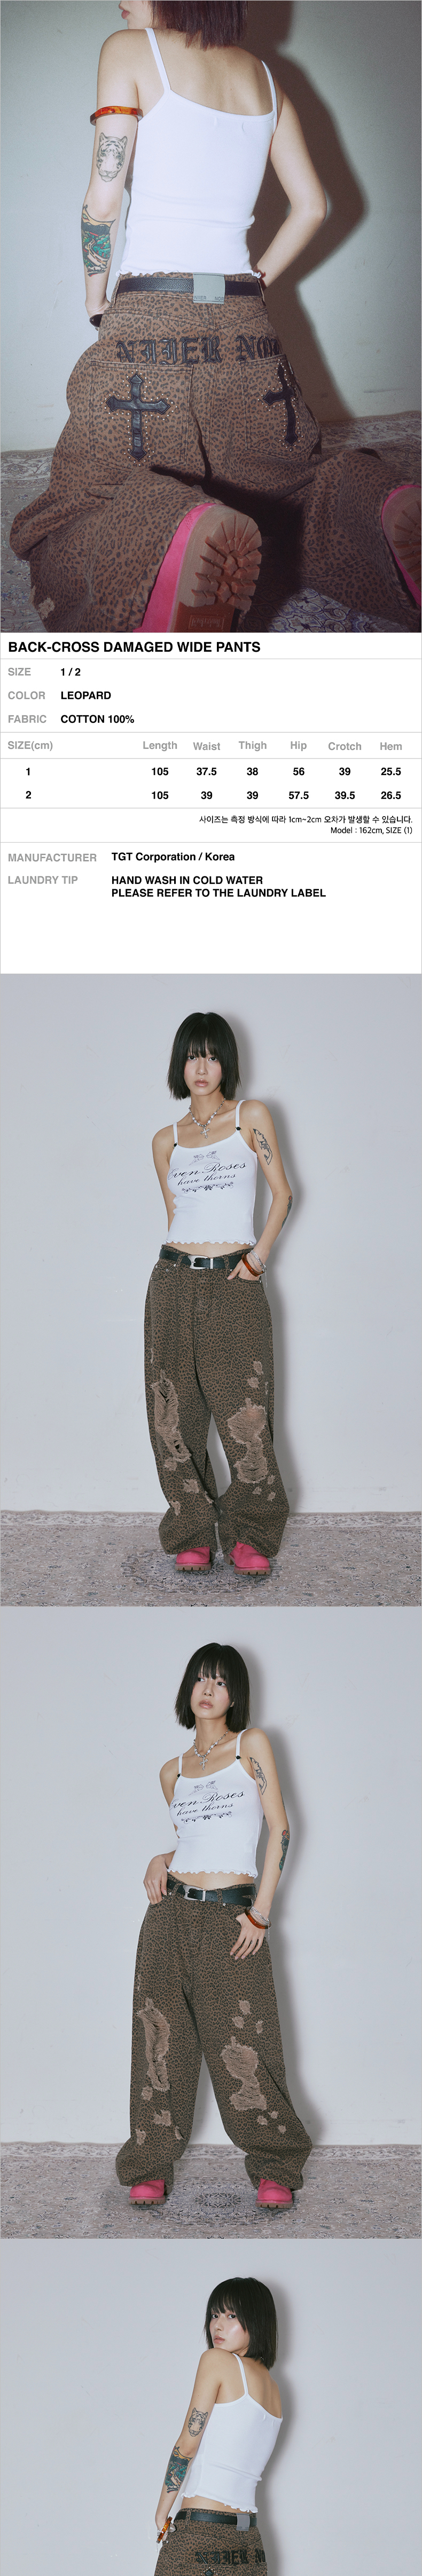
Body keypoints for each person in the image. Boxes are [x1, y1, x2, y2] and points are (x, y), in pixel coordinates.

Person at [10, 0, 420, 629]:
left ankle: (164, 545)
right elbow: (312, 206)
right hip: (244, 322)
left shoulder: (129, 50)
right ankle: (370, 511)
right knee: (284, 490)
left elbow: (103, 200)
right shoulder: (265, 78)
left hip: (150, 315)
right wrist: (256, 283)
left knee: (85, 500)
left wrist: (96, 300)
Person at [115, 1641, 312, 2207]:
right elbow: (196, 1841)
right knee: (160, 2040)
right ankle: (150, 2163)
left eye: (221, 1681)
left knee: (246, 2041)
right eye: (201, 1678)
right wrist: (160, 1858)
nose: (209, 1689)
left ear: (235, 1694)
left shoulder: (251, 1745)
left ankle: (275, 2163)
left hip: (232, 1916)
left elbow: (279, 1829)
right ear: (188, 1688)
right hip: (168, 1917)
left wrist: (260, 1913)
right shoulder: (172, 1771)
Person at [144, 1009, 292, 1575]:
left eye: (210, 1055)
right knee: (172, 1414)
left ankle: (251, 1532)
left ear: (225, 1061)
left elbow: (283, 1194)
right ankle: (192, 1530)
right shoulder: (165, 1141)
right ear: (179, 1065)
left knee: (244, 1410)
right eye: (191, 1055)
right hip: (171, 1280)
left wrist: (257, 1258)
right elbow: (175, 1216)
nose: (201, 1067)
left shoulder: (249, 1117)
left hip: (235, 1280)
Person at [155, 2273, 282, 2571]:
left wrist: (162, 2513)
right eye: (214, 2315)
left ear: (257, 2321)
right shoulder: (274, 2389)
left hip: (202, 2533)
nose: (218, 2325)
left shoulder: (216, 2361)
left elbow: (187, 2446)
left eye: (232, 2316)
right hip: (251, 2546)